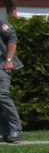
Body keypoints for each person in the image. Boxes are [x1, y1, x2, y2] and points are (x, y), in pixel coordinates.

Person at [0, 15, 24, 144]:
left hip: (2, 63)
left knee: (2, 95)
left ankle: (16, 130)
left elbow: (12, 37)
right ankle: (5, 132)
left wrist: (9, 60)